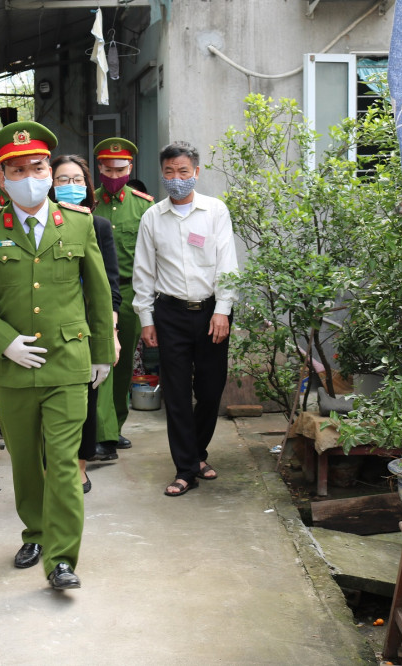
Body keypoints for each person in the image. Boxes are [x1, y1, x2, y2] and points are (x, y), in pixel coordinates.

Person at [0, 122, 113, 590]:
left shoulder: (80, 223)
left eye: (39, 167)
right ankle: (36, 534)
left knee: (64, 463)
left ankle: (62, 559)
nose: (31, 177)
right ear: (2, 176)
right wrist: (3, 340)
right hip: (13, 367)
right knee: (26, 462)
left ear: (50, 170)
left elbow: (99, 295)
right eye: (19, 170)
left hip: (68, 362)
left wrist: (102, 353)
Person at [132, 141, 238, 497]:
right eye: (169, 172)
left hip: (210, 313)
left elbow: (227, 263)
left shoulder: (215, 211)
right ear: (161, 174)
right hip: (170, 314)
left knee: (210, 390)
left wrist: (223, 310)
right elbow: (144, 271)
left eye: (183, 171)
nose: (176, 179)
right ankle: (186, 470)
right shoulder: (152, 217)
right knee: (176, 394)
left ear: (196, 172)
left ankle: (197, 454)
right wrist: (146, 318)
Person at [48, 155, 121, 493]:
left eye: (77, 180)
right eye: (63, 180)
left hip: (85, 326)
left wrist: (111, 334)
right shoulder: (37, 225)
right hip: (46, 323)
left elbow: (109, 286)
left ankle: (79, 464)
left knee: (86, 398)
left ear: (88, 186)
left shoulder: (98, 226)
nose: (71, 186)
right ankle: (48, 466)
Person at [91, 137, 154, 459]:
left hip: (129, 294)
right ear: (99, 168)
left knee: (123, 364)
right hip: (93, 293)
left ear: (130, 168)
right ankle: (101, 433)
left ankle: (114, 426)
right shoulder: (88, 202)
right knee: (100, 360)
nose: (114, 175)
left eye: (120, 170)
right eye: (107, 169)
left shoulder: (144, 207)